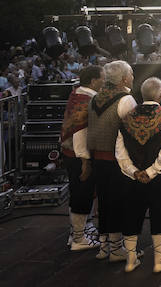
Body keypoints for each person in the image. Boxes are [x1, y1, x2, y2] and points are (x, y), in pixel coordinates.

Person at [115, 77, 161, 273]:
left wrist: (134, 171)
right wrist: (152, 171)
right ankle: (159, 260)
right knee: (160, 213)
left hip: (131, 177)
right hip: (159, 177)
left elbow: (120, 150)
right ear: (160, 94)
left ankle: (131, 259)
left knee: (131, 213)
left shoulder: (126, 118)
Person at [87, 60, 138, 262]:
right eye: (132, 74)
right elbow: (133, 134)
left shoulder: (94, 98)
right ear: (124, 78)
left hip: (98, 159)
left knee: (104, 202)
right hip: (118, 160)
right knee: (119, 203)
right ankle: (117, 249)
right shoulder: (126, 100)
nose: (133, 78)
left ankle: (104, 246)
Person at [59, 65, 102, 252]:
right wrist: (85, 160)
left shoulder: (77, 94)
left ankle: (78, 231)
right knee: (81, 194)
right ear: (93, 81)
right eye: (102, 78)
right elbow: (80, 133)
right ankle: (79, 238)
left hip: (70, 154)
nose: (104, 81)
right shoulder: (87, 100)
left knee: (79, 193)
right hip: (78, 155)